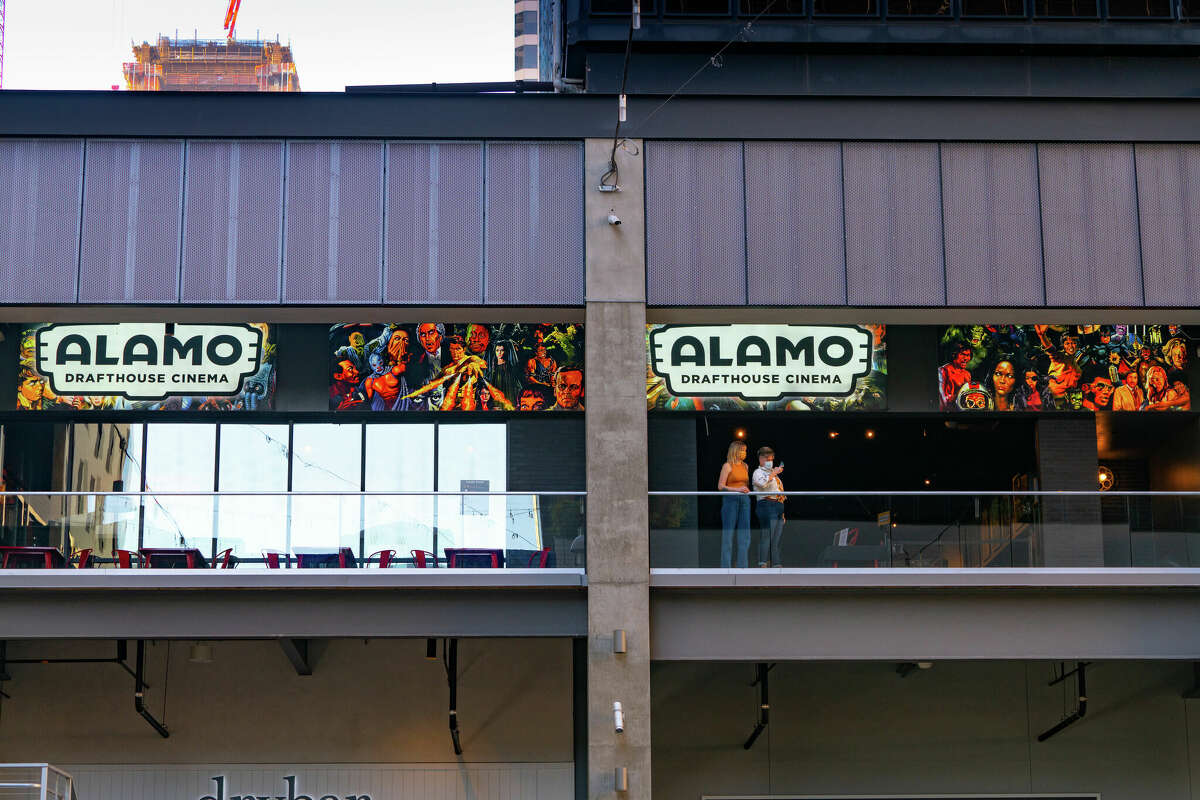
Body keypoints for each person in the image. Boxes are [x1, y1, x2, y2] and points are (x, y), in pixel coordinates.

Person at [716, 440, 751, 569]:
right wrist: (737, 489)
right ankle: (725, 567)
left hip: (745, 500)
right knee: (728, 534)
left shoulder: (745, 466)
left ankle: (743, 566)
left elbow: (745, 484)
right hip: (731, 500)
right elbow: (720, 486)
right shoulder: (727, 466)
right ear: (735, 451)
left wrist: (745, 490)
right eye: (742, 450)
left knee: (745, 535)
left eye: (745, 450)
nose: (744, 453)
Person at [751, 446, 785, 567]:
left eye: (771, 459)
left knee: (776, 538)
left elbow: (780, 493)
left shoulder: (774, 475)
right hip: (766, 504)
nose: (769, 461)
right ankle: (762, 562)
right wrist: (773, 474)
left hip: (778, 506)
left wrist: (782, 513)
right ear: (761, 459)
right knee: (766, 535)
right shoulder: (758, 472)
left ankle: (776, 563)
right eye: (767, 459)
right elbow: (762, 484)